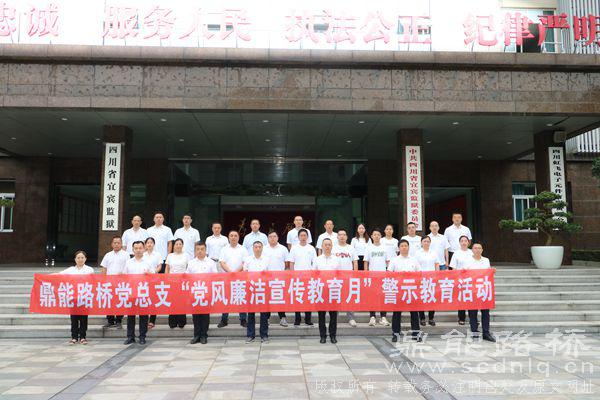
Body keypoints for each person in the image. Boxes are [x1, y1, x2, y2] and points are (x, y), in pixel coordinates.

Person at [388, 240, 421, 343]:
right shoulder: (394, 260)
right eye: (402, 246)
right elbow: (389, 273)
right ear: (399, 248)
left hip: (411, 289)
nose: (404, 247)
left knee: (414, 313)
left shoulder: (414, 260)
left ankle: (416, 334)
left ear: (408, 247)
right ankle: (395, 334)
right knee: (396, 313)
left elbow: (419, 273)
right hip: (398, 289)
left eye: (406, 245)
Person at [58, 250, 94, 345]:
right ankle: (74, 337)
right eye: (78, 258)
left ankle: (82, 337)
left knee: (83, 319)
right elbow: (59, 275)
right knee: (74, 318)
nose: (80, 259)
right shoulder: (71, 270)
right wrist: (45, 277)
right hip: (73, 298)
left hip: (84, 297)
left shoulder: (89, 269)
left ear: (85, 259)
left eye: (82, 257)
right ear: (75, 259)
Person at [123, 241, 154, 345]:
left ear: (144, 249)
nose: (138, 250)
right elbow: (124, 276)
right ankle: (130, 336)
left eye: (140, 248)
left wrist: (148, 274)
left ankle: (142, 336)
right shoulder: (128, 262)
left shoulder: (148, 262)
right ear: (133, 250)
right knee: (130, 316)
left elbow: (154, 276)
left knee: (143, 316)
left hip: (143, 292)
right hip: (131, 292)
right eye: (136, 248)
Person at [187, 241, 219, 344]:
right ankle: (196, 335)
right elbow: (187, 276)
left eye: (202, 249)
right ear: (195, 251)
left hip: (206, 292)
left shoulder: (211, 262)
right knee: (195, 315)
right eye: (198, 249)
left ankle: (204, 335)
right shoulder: (191, 262)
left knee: (205, 315)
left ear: (205, 250)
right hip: (195, 292)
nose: (200, 251)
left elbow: (215, 276)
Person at [464, 242, 496, 342]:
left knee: (485, 313)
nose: (477, 250)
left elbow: (488, 273)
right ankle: (474, 332)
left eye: (479, 248)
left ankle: (486, 333)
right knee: (472, 313)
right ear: (472, 250)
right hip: (472, 290)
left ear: (482, 250)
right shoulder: (467, 261)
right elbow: (464, 274)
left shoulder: (486, 260)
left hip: (484, 290)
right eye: (475, 248)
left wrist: (492, 271)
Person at [218, 230, 249, 328]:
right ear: (228, 237)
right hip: (227, 277)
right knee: (226, 298)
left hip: (240, 278)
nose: (233, 237)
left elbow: (245, 263)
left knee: (241, 298)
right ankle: (224, 320)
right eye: (231, 235)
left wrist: (236, 273)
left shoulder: (243, 249)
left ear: (238, 237)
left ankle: (243, 319)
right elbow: (222, 262)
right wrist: (230, 272)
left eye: (235, 235)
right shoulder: (224, 249)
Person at [243, 241, 271, 343]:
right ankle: (250, 335)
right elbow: (245, 273)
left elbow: (270, 274)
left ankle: (264, 335)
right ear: (253, 248)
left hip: (263, 288)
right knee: (251, 313)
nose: (258, 249)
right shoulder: (248, 259)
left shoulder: (267, 259)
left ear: (262, 248)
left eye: (259, 247)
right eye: (256, 247)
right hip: (251, 289)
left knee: (264, 314)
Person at [288, 228, 316, 326]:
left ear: (307, 237)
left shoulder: (311, 248)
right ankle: (297, 318)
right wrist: (292, 275)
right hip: (297, 277)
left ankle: (308, 318)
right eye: (301, 235)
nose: (303, 237)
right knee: (298, 297)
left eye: (305, 235)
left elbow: (314, 263)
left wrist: (313, 275)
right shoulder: (294, 248)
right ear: (298, 237)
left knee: (308, 297)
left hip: (309, 277)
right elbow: (291, 262)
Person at [99, 236, 128, 329]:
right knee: (109, 302)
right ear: (112, 244)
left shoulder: (126, 255)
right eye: (114, 243)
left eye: (118, 243)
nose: (116, 244)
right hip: (109, 283)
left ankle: (119, 321)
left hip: (121, 283)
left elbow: (128, 268)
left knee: (120, 301)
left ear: (121, 244)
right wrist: (103, 281)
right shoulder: (108, 255)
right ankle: (110, 321)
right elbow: (104, 268)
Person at [315, 238, 341, 343]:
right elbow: (314, 274)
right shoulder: (317, 259)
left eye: (329, 244)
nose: (327, 246)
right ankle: (322, 335)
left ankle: (333, 335)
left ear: (332, 246)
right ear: (322, 246)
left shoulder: (336, 259)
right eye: (325, 244)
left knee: (333, 315)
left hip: (333, 289)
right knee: (321, 314)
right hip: (321, 289)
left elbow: (339, 274)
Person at [262, 230, 290, 327]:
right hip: (267, 278)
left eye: (274, 236)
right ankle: (267, 318)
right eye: (270, 237)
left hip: (279, 279)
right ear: (268, 238)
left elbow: (287, 263)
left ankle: (282, 318)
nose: (272, 238)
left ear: (277, 238)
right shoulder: (264, 249)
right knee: (267, 299)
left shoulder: (283, 249)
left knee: (279, 299)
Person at [364, 228, 390, 327]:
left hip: (383, 276)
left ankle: (383, 317)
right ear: (371, 236)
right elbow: (366, 262)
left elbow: (388, 261)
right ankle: (372, 316)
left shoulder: (385, 248)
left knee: (383, 296)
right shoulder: (368, 248)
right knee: (372, 297)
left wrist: (388, 273)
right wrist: (366, 275)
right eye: (374, 235)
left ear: (381, 236)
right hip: (372, 276)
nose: (376, 236)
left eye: (378, 235)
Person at [333, 228, 359, 327]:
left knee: (349, 297)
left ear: (347, 237)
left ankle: (351, 318)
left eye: (344, 235)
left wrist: (355, 275)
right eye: (340, 235)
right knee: (335, 297)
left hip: (348, 277)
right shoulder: (333, 248)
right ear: (337, 237)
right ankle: (334, 317)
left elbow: (355, 262)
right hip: (336, 278)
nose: (342, 236)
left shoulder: (351, 248)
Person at [415, 236, 440, 327]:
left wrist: (437, 276)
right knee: (421, 299)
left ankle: (431, 318)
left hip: (432, 279)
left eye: (428, 241)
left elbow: (437, 264)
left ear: (430, 242)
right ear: (421, 243)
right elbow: (415, 265)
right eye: (424, 241)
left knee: (431, 298)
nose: (426, 243)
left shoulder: (434, 252)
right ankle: (422, 318)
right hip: (421, 279)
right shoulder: (418, 253)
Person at [449, 235, 474, 325]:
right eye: (462, 241)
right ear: (459, 243)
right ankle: (461, 318)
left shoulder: (472, 252)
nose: (464, 242)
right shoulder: (456, 253)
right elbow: (453, 267)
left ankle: (473, 318)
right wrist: (456, 278)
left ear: (468, 242)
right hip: (460, 279)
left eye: (465, 241)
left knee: (471, 299)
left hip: (471, 279)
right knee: (461, 299)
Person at [166, 238, 190, 329]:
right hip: (172, 282)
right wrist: (166, 279)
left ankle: (181, 322)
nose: (178, 246)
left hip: (182, 282)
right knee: (172, 302)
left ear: (182, 245)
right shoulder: (170, 256)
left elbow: (189, 268)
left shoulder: (186, 255)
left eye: (180, 244)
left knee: (181, 302)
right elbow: (167, 268)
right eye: (176, 244)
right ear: (174, 246)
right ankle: (172, 322)